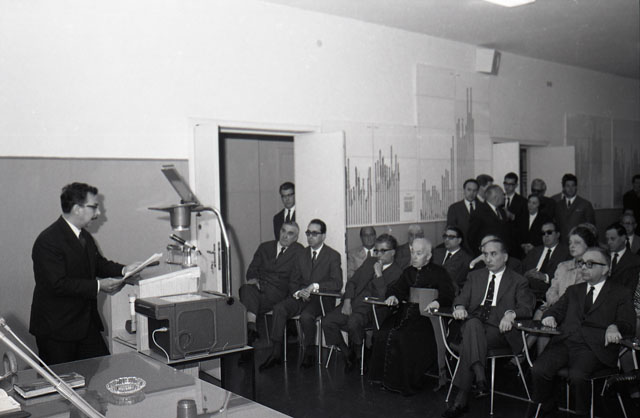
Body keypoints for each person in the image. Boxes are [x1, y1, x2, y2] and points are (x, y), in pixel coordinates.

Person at [29, 183, 141, 365]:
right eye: (94, 207)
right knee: (63, 380)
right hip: (56, 330)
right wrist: (99, 286)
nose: (98, 213)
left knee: (103, 373)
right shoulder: (48, 241)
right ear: (77, 209)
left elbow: (98, 264)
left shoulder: (84, 237)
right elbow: (57, 284)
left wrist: (124, 270)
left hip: (84, 325)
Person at [531, 247, 636, 418]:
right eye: (582, 263)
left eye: (590, 264)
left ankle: (582, 413)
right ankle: (549, 406)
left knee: (578, 376)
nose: (584, 267)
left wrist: (615, 326)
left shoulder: (620, 293)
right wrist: (549, 316)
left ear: (605, 269)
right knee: (538, 369)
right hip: (566, 342)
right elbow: (555, 310)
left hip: (595, 347)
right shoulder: (574, 290)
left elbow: (629, 324)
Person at [442, 238, 534, 418]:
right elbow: (461, 299)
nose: (488, 259)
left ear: (505, 257)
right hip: (475, 323)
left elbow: (526, 308)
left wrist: (511, 314)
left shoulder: (518, 280)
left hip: (500, 330)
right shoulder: (475, 276)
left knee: (470, 337)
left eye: (493, 254)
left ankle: (463, 397)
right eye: (485, 254)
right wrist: (459, 307)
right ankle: (480, 378)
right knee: (472, 325)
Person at [369, 238, 455, 395]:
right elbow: (397, 288)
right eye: (413, 252)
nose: (414, 257)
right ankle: (384, 380)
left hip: (427, 317)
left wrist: (437, 302)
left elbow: (448, 294)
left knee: (403, 337)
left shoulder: (439, 272)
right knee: (384, 333)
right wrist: (393, 296)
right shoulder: (408, 272)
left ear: (428, 256)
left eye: (419, 253)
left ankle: (403, 383)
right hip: (406, 312)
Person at [260, 219, 342, 370]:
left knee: (306, 316)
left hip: (321, 299)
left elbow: (337, 283)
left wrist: (314, 286)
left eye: (315, 233)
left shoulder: (332, 255)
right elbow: (293, 281)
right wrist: (299, 292)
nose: (310, 237)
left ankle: (309, 352)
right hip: (301, 297)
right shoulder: (301, 254)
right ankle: (275, 353)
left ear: (323, 236)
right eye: (308, 233)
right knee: (279, 308)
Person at [322, 234, 402, 372]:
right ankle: (347, 353)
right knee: (327, 321)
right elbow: (352, 282)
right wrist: (347, 300)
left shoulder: (398, 272)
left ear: (393, 252)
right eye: (376, 250)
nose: (378, 255)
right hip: (353, 302)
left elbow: (384, 297)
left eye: (383, 251)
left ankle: (359, 354)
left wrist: (379, 275)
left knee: (353, 322)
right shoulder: (370, 261)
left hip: (372, 309)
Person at [239, 221, 304, 346]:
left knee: (246, 302)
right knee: (245, 289)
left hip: (279, 293)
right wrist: (254, 280)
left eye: (290, 233)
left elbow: (298, 278)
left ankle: (250, 330)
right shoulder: (265, 247)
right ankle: (251, 328)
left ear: (296, 238)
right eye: (283, 231)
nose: (285, 236)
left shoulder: (299, 251)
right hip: (259, 291)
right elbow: (251, 270)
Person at [544, 224, 598, 307]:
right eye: (570, 243)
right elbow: (552, 290)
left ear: (588, 244)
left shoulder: (595, 268)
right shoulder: (562, 266)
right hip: (557, 309)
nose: (572, 246)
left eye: (577, 242)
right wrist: (558, 305)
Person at [522, 220, 570, 302]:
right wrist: (526, 274)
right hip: (528, 289)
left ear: (558, 234)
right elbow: (521, 270)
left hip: (549, 291)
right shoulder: (534, 252)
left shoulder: (566, 253)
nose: (546, 235)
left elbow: (566, 278)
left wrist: (545, 277)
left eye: (549, 232)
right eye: (543, 233)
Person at [468, 185, 513, 257]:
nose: (504, 197)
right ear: (496, 197)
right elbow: (472, 237)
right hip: (487, 255)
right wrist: (482, 254)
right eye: (503, 195)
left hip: (501, 253)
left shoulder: (502, 211)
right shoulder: (479, 212)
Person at [554, 174, 596, 243]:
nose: (570, 189)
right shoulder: (558, 205)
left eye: (573, 186)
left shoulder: (585, 204)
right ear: (563, 188)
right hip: (562, 243)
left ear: (576, 187)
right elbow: (557, 226)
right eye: (568, 186)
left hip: (579, 242)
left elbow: (591, 228)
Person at [432, 226, 473, 291]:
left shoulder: (466, 259)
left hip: (451, 291)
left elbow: (459, 281)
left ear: (459, 240)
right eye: (445, 236)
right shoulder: (436, 253)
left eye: (451, 237)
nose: (447, 239)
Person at [605, 222, 640, 292]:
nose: (609, 242)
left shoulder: (635, 260)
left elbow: (631, 288)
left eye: (612, 239)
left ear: (623, 238)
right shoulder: (602, 256)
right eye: (607, 239)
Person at [446, 178, 479, 252]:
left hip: (478, 249)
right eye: (469, 190)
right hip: (461, 248)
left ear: (477, 192)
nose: (471, 193)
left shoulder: (482, 207)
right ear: (464, 190)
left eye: (474, 190)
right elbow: (451, 230)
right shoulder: (454, 208)